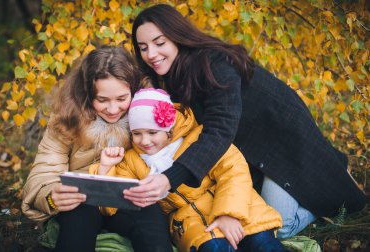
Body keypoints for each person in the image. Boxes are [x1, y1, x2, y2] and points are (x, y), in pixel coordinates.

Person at [126, 4, 367, 238]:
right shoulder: (169, 75)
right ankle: (326, 169)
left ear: (178, 37)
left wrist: (169, 178)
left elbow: (219, 130)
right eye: (143, 47)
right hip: (250, 147)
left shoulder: (214, 63)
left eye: (159, 43)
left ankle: (324, 197)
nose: (151, 54)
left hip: (281, 139)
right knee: (252, 209)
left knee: (279, 227)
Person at [90, 88, 288, 252]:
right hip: (193, 225)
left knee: (263, 244)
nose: (145, 141)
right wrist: (106, 168)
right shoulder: (132, 160)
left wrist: (229, 213)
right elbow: (112, 205)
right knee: (214, 248)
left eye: (152, 132)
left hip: (240, 210)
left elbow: (233, 171)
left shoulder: (199, 139)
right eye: (137, 134)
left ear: (169, 129)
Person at [21, 46, 173, 252]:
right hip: (82, 200)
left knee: (151, 221)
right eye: (102, 100)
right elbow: (44, 171)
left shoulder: (146, 113)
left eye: (121, 99)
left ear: (134, 91)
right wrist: (51, 196)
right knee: (78, 221)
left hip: (127, 198)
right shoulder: (66, 119)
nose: (112, 109)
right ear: (87, 94)